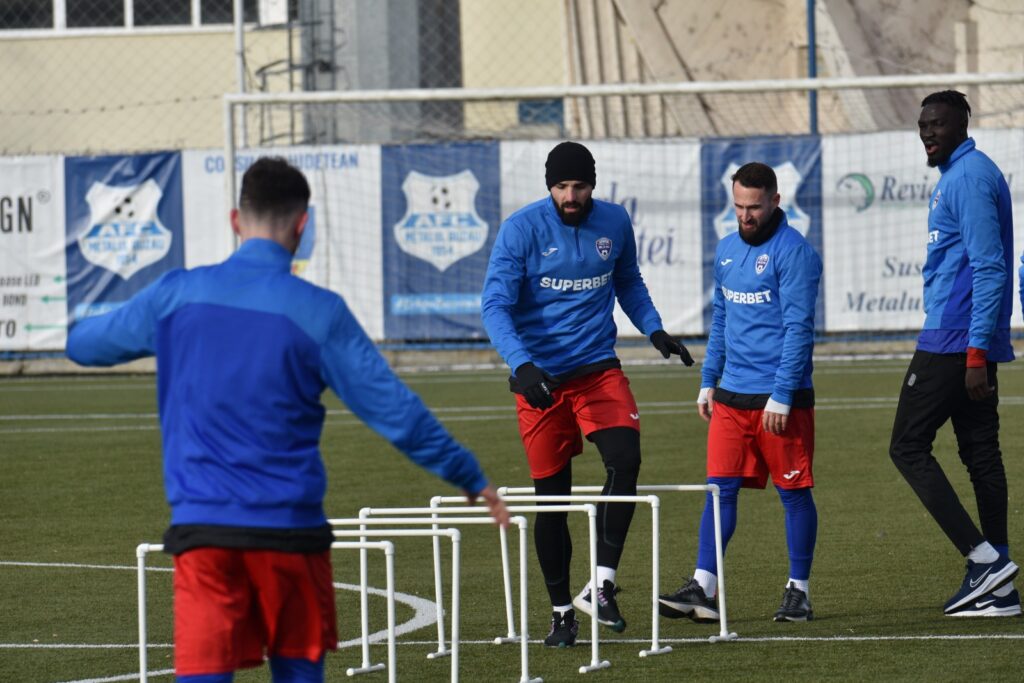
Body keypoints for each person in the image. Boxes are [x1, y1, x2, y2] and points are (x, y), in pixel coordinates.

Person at [66, 157, 510, 683]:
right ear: (303, 225)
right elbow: (396, 412)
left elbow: (83, 345)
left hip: (205, 535)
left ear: (236, 221)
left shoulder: (174, 295)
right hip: (291, 537)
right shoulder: (319, 311)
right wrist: (466, 474)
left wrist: (153, 324)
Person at [481, 140, 694, 648]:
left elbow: (628, 281)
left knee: (626, 459)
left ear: (592, 185)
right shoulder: (521, 229)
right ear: (549, 187)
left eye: (579, 186)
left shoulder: (614, 221)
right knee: (552, 501)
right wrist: (522, 365)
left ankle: (600, 585)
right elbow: (494, 306)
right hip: (540, 381)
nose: (570, 196)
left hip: (598, 369)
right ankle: (561, 615)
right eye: (561, 187)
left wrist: (653, 328)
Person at [659, 162, 822, 624]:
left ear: (775, 201)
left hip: (779, 400)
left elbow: (799, 329)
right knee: (719, 491)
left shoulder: (795, 253)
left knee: (794, 493)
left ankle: (798, 591)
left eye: (754, 207)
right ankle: (703, 587)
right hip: (731, 397)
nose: (746, 216)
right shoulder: (727, 249)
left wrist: (783, 393)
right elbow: (723, 320)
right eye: (738, 207)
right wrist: (708, 379)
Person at [889, 90, 1019, 617]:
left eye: (938, 124)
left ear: (962, 125)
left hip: (954, 338)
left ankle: (984, 560)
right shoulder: (966, 173)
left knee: (906, 446)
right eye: (923, 125)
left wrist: (975, 353)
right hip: (970, 339)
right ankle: (1001, 588)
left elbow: (989, 267)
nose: (928, 133)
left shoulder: (966, 178)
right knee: (981, 452)